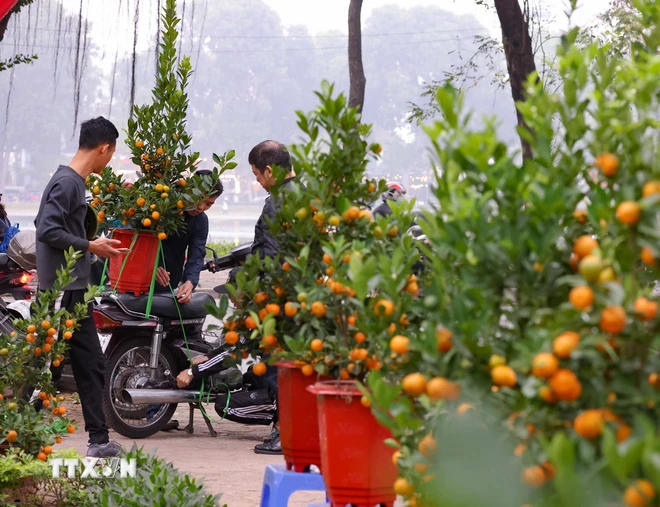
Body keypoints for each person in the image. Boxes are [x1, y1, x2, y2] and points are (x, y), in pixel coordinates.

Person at [195, 140, 298, 455]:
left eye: (256, 175)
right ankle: (285, 431)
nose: (257, 181)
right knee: (284, 365)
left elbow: (274, 256)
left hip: (280, 297)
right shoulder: (304, 195)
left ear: (269, 170)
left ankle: (284, 435)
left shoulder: (278, 203)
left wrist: (256, 293)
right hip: (299, 295)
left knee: (277, 366)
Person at [35, 117, 126, 458]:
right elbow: (46, 229)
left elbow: (50, 227)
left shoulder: (72, 182)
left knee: (90, 363)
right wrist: (91, 246)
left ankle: (99, 441)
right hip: (61, 292)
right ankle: (14, 439)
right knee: (43, 367)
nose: (110, 161)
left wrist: (91, 246)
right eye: (111, 153)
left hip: (75, 288)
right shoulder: (68, 182)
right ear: (103, 148)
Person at [155, 170, 223, 302]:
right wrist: (152, 265)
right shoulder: (161, 205)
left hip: (168, 281)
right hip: (139, 275)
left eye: (208, 204)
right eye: (199, 199)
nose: (201, 207)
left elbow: (197, 254)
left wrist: (190, 282)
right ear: (189, 189)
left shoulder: (201, 221)